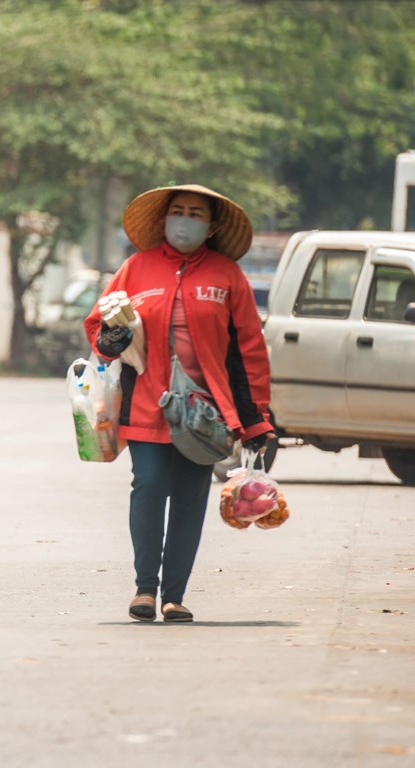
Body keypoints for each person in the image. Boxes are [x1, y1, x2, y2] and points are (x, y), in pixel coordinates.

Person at [84, 184, 275, 623]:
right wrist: (109, 336)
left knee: (190, 498)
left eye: (194, 214)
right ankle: (145, 588)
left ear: (211, 227)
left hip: (206, 412)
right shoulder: (136, 267)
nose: (184, 220)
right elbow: (98, 324)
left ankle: (174, 596)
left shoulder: (228, 276)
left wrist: (256, 418)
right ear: (164, 219)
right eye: (177, 211)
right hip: (146, 403)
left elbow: (249, 349)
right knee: (148, 486)